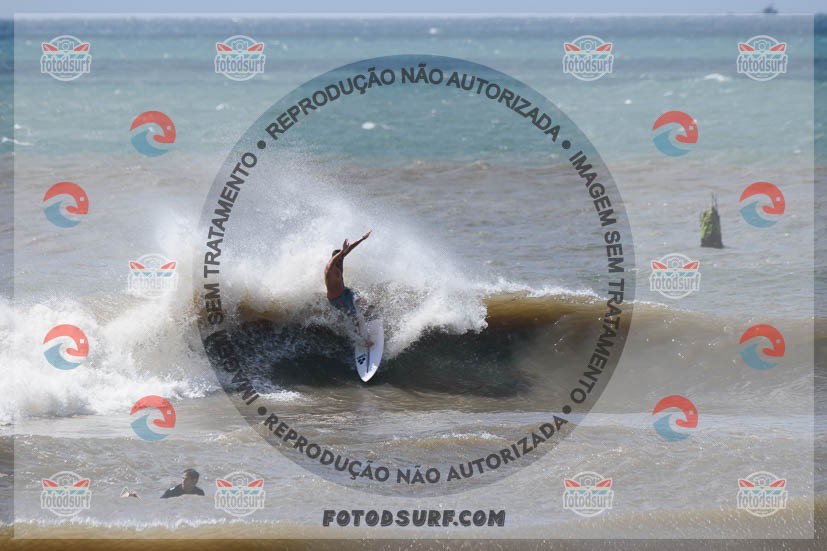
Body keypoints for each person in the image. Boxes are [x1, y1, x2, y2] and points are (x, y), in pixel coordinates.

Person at [324, 230, 372, 343]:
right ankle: (363, 341)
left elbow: (350, 248)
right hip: (337, 299)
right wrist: (341, 252)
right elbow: (333, 261)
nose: (341, 260)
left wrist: (362, 238)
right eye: (340, 258)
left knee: (361, 299)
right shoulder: (329, 268)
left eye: (342, 257)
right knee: (353, 317)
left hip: (345, 292)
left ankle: (367, 317)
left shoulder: (340, 260)